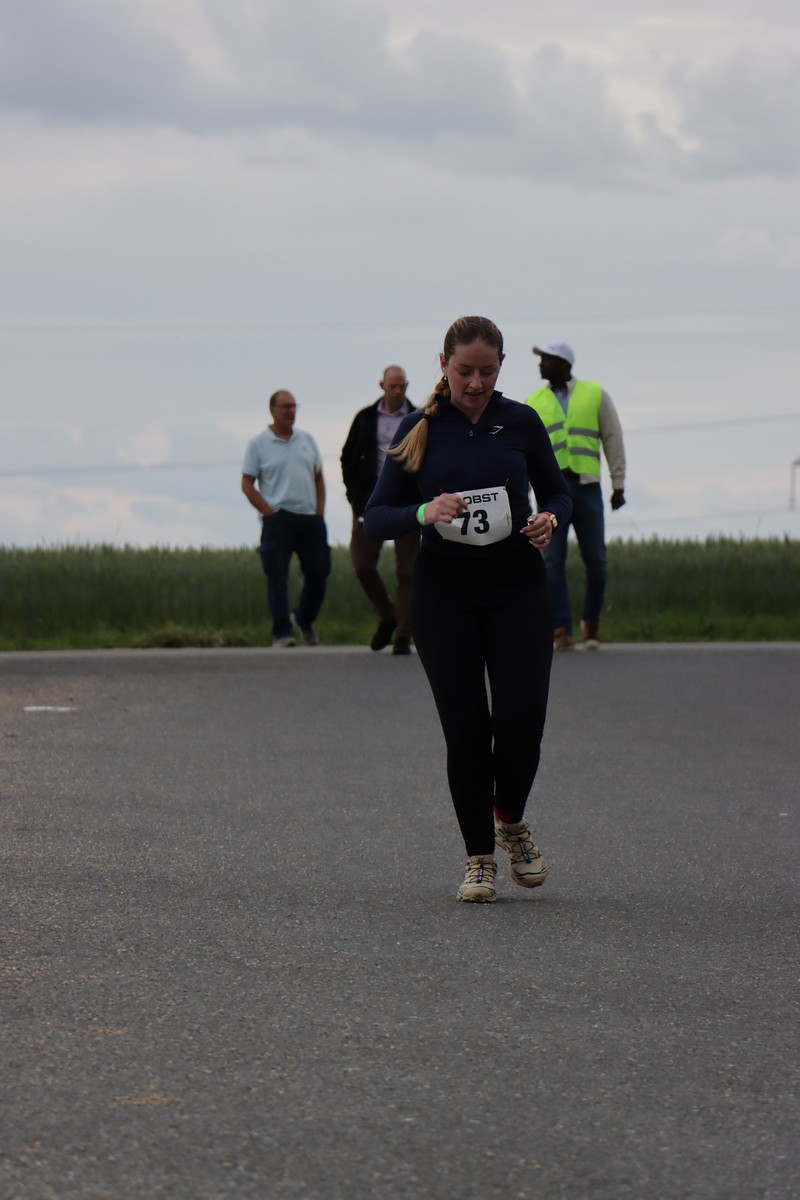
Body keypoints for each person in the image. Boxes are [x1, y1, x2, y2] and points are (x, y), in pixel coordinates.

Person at [364, 316, 572, 903]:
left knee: (522, 724)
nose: (475, 383)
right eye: (464, 372)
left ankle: (510, 820)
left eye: (487, 371)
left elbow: (558, 492)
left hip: (518, 592)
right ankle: (479, 858)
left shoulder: (521, 421)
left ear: (501, 367)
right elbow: (375, 517)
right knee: (466, 732)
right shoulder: (419, 428)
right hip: (444, 598)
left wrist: (550, 518)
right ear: (443, 366)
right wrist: (422, 512)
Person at [527, 340, 626, 651]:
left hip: (587, 488)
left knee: (596, 560)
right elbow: (526, 451)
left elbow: (612, 437)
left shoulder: (595, 394)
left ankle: (591, 621)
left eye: (546, 359)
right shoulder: (533, 402)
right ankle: (561, 629)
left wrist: (619, 484)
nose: (540, 364)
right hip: (550, 492)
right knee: (552, 561)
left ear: (563, 364)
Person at [340, 365, 420, 655]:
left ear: (407, 386)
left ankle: (403, 633)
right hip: (370, 501)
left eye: (402, 386)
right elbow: (348, 458)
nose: (397, 392)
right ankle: (387, 615)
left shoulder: (419, 418)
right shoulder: (365, 418)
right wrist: (354, 496)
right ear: (382, 386)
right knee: (362, 565)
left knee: (407, 572)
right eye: (392, 386)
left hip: (407, 502)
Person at [241, 389, 331, 647]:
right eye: (286, 406)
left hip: (310, 518)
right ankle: (282, 632)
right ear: (272, 410)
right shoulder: (258, 444)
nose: (291, 411)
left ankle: (303, 618)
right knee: (277, 575)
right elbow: (247, 484)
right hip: (278, 519)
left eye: (294, 406)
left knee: (319, 572)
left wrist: (320, 512)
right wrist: (269, 512)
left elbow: (318, 478)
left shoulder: (307, 440)